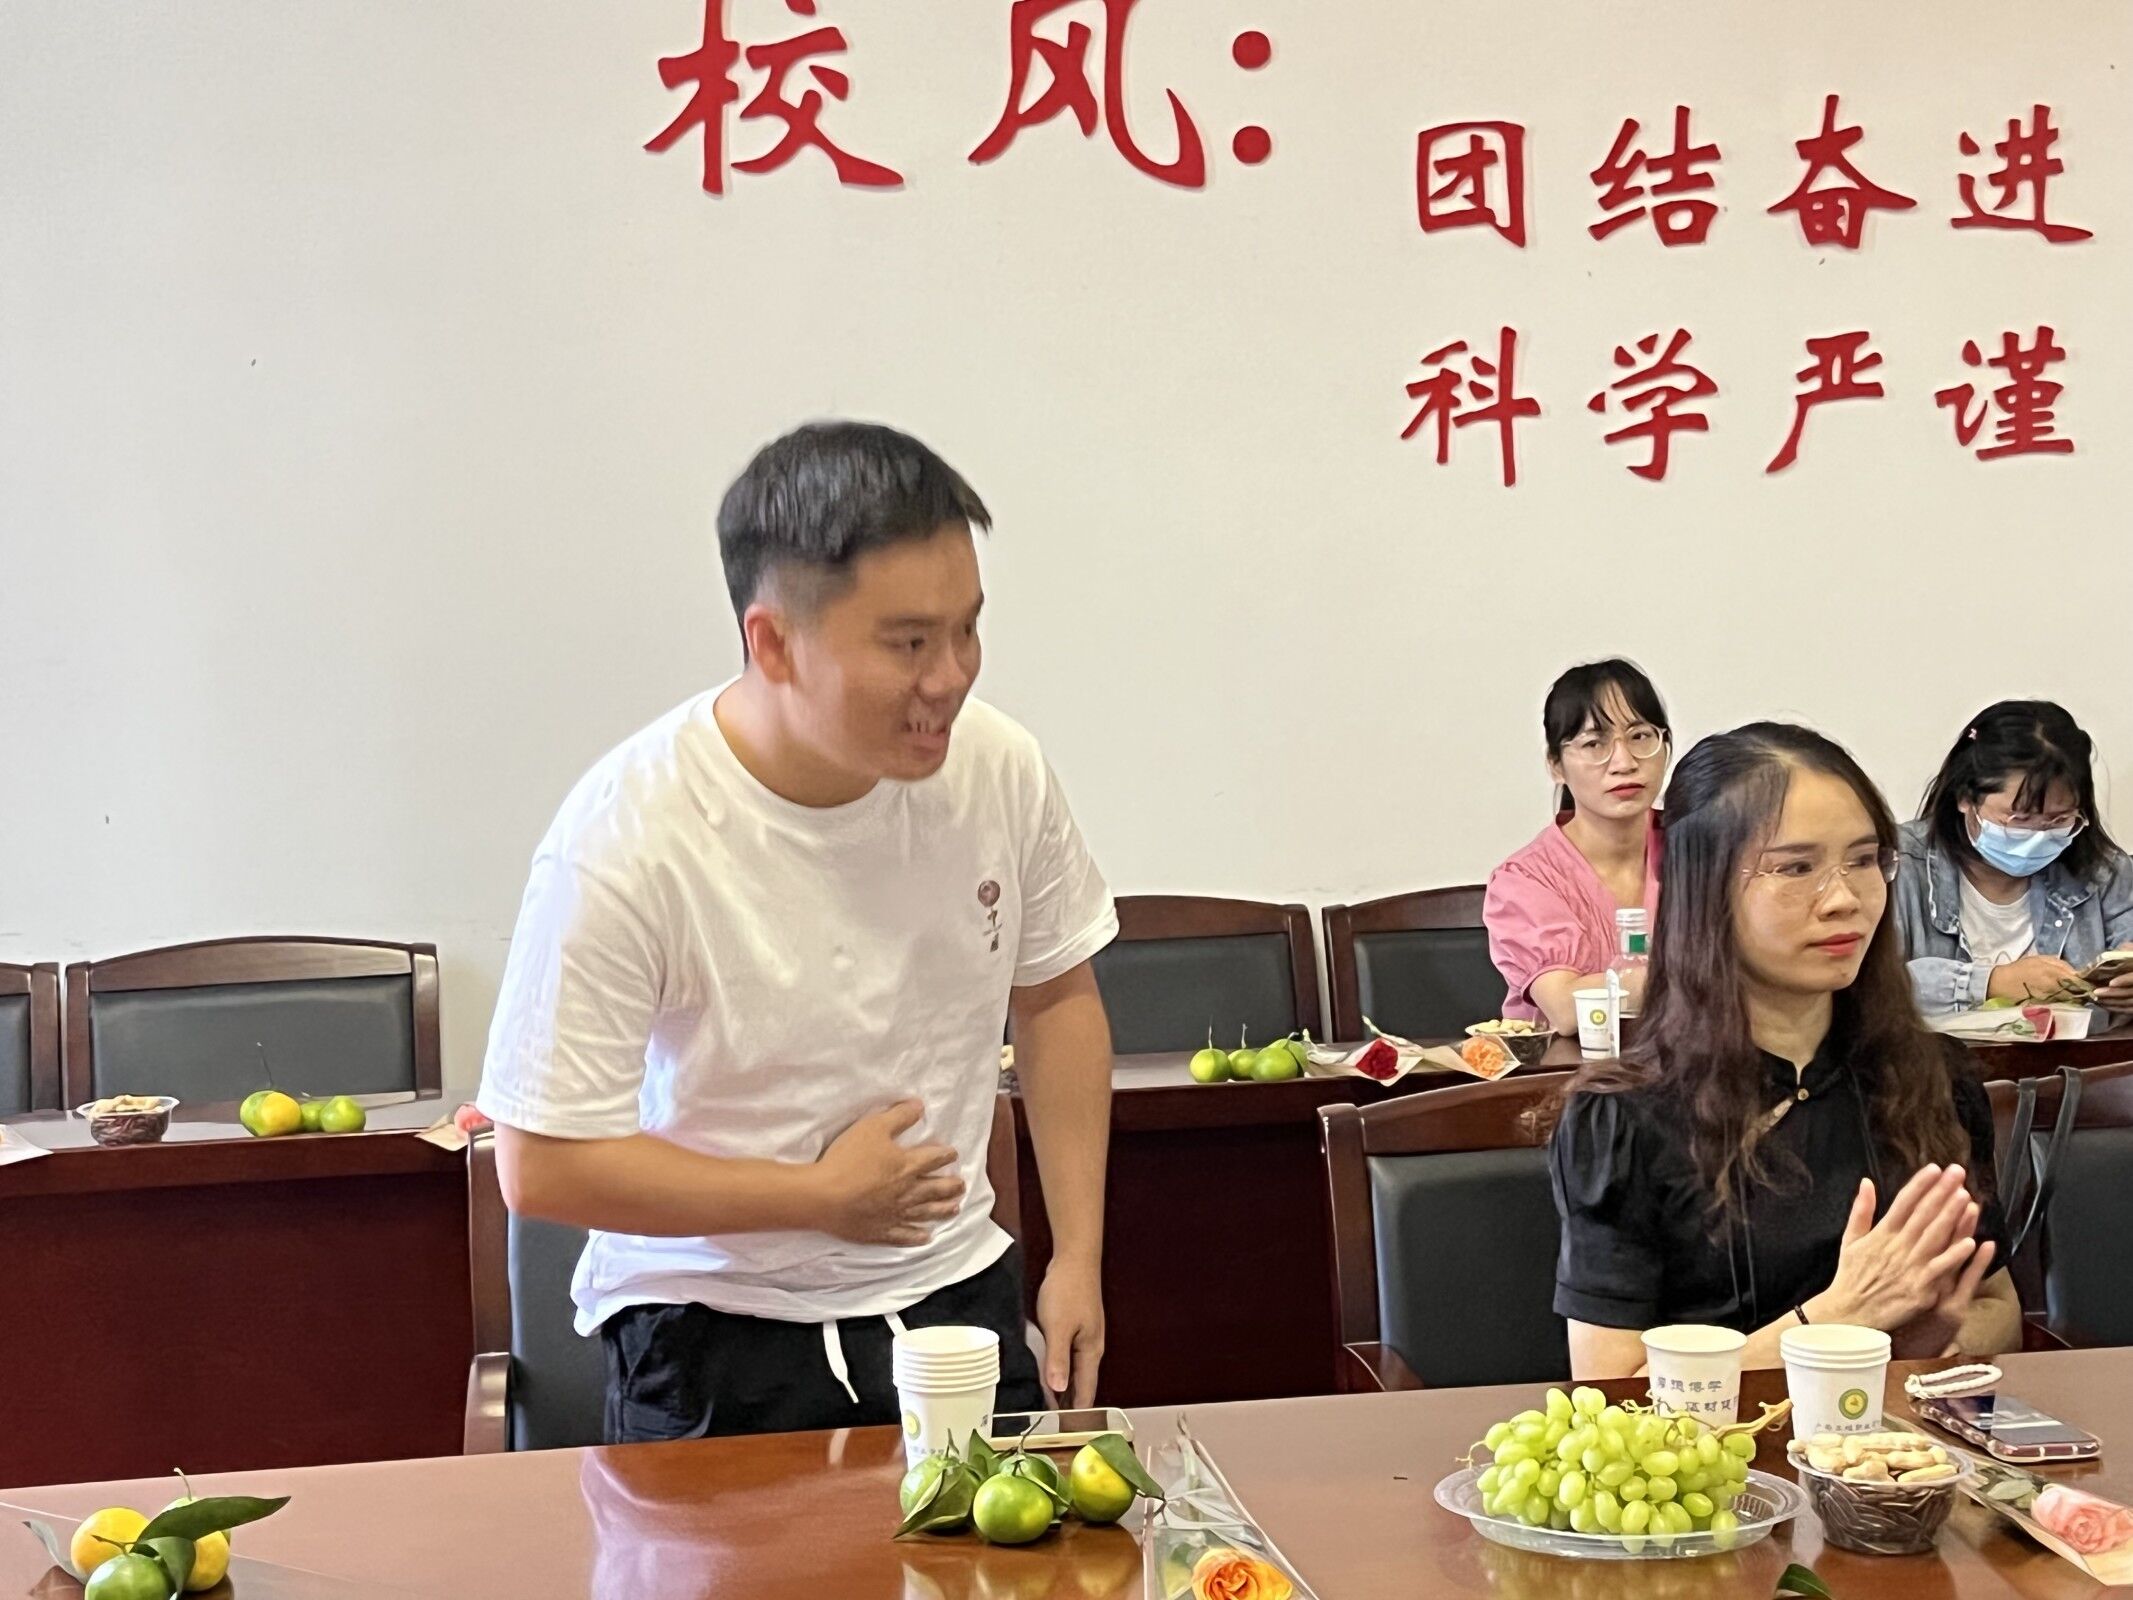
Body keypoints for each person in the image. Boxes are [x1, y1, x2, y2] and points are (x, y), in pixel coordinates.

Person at [477, 421, 1119, 1440]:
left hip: (954, 1295)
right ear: (771, 642)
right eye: (909, 643)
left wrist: (1076, 1255)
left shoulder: (998, 767)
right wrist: (816, 1197)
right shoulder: (628, 835)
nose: (951, 676)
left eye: (967, 629)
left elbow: (1055, 998)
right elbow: (542, 1163)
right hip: (709, 1329)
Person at [1550, 723, 2020, 1380]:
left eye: (1863, 860)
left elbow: (1997, 1304)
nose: (1844, 900)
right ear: (1703, 885)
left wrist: (1928, 1340)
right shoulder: (1623, 1118)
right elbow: (1611, 1390)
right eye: (1796, 868)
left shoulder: (1932, 1076)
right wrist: (1839, 1318)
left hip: (1893, 1439)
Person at [1895, 701, 2133, 1017]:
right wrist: (1991, 983)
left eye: (2060, 819)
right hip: (1936, 1051)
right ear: (1965, 797)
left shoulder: (2103, 871)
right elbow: (1866, 986)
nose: (2039, 835)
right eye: (2019, 818)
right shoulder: (1899, 866)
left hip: (2076, 1050)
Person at [1485, 659, 1669, 1032]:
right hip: (1567, 1068)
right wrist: (1711, 978)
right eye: (1594, 743)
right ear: (1556, 765)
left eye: (1640, 737)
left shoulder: (1701, 846)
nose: (1624, 762)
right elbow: (1569, 1009)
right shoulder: (1525, 880)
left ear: (1665, 746)